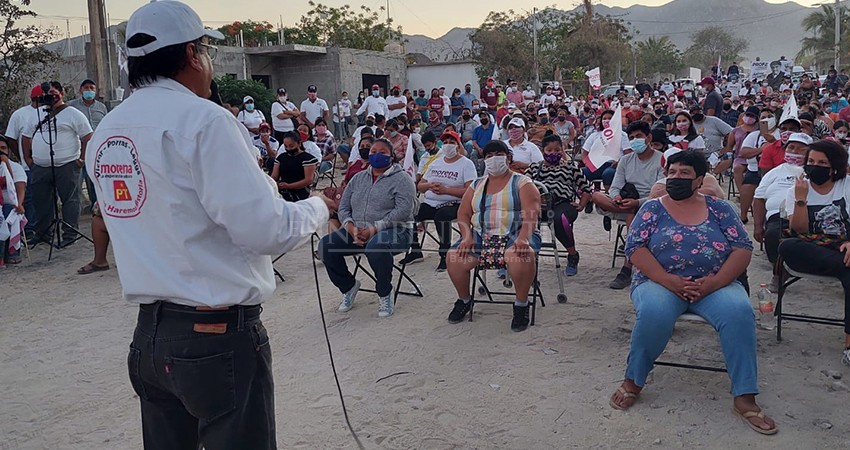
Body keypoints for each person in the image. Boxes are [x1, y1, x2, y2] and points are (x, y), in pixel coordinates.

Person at [87, 2, 332, 447]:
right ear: (189, 55)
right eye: (206, 51)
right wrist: (317, 208)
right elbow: (267, 230)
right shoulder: (204, 121)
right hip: (214, 337)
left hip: (150, 336)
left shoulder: (106, 130)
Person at [610, 150, 777, 436]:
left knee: (739, 313)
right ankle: (633, 380)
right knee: (654, 313)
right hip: (659, 282)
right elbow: (635, 249)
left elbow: (742, 249)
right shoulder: (651, 208)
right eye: (672, 172)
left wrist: (713, 283)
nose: (675, 178)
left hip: (714, 284)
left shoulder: (720, 209)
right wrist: (669, 280)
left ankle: (744, 395)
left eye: (684, 173)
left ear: (700, 179)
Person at [445, 140, 542, 332]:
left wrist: (523, 237)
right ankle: (464, 300)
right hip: (481, 235)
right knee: (454, 256)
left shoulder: (523, 182)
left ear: (508, 157)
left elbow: (532, 213)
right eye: (489, 156)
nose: (494, 159)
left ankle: (521, 304)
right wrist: (466, 236)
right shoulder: (477, 184)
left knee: (520, 255)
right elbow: (463, 213)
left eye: (499, 154)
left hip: (515, 232)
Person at [319, 138, 416, 318]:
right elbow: (344, 207)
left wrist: (374, 229)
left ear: (392, 156)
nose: (376, 155)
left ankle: (385, 292)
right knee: (326, 246)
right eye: (373, 152)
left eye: (382, 152)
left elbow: (403, 211)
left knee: (376, 246)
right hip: (356, 230)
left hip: (395, 232)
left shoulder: (402, 179)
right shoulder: (358, 178)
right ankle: (348, 286)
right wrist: (350, 228)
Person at [779, 139, 850, 367]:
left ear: (834, 167)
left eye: (822, 162)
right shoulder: (797, 189)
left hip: (844, 246)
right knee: (788, 246)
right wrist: (801, 198)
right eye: (811, 161)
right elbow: (799, 231)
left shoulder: (847, 185)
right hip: (815, 249)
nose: (814, 166)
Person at [592, 121, 665, 289]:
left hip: (651, 203)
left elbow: (662, 191)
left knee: (634, 214)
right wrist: (616, 197)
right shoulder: (625, 160)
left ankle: (627, 268)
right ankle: (630, 209)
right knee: (595, 195)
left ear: (649, 137)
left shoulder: (662, 160)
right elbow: (616, 185)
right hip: (626, 202)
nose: (634, 140)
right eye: (631, 138)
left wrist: (638, 203)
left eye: (638, 136)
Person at [22, 81, 93, 248]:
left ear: (62, 93)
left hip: (67, 165)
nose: (51, 97)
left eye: (54, 93)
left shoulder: (73, 114)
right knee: (42, 201)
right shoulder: (37, 114)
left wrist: (81, 160)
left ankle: (69, 233)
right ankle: (43, 233)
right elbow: (26, 137)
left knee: (70, 200)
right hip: (40, 166)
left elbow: (87, 137)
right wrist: (29, 160)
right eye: (48, 94)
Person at [402, 131, 477, 271]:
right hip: (432, 202)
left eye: (452, 142)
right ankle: (415, 249)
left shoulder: (466, 164)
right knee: (410, 212)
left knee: (442, 216)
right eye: (446, 142)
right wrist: (430, 186)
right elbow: (421, 186)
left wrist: (446, 190)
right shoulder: (436, 162)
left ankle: (445, 254)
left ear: (458, 145)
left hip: (455, 203)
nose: (448, 145)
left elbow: (470, 190)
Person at [753, 132, 811, 290]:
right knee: (772, 234)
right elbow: (758, 198)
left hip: (806, 214)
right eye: (791, 147)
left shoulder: (813, 171)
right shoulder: (775, 172)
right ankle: (780, 271)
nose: (795, 152)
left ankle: (789, 267)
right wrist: (758, 225)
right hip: (777, 216)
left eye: (801, 149)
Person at [527, 134, 592, 276]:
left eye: (557, 150)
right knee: (518, 219)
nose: (553, 153)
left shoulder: (570, 167)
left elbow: (587, 189)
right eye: (549, 150)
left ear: (562, 150)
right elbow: (522, 187)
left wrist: (581, 204)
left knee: (559, 220)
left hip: (562, 204)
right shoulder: (534, 168)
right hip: (538, 205)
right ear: (543, 150)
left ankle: (572, 255)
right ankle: (514, 258)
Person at [4, 85, 45, 232]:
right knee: (29, 198)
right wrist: (23, 155)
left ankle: (45, 228)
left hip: (46, 164)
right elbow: (11, 139)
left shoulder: (50, 112)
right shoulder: (20, 114)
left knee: (44, 198)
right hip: (28, 165)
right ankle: (30, 229)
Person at [581, 109, 632, 190]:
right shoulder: (594, 135)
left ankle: (609, 198)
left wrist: (619, 163)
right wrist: (587, 163)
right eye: (604, 118)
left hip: (614, 166)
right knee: (580, 173)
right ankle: (586, 197)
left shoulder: (622, 135)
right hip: (596, 165)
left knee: (608, 174)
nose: (607, 120)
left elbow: (628, 153)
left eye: (610, 118)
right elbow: (584, 153)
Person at [0, 137, 26, 265]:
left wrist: (6, 164)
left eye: (3, 148)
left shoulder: (16, 167)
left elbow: (19, 190)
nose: (1, 152)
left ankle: (11, 252)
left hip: (9, 204)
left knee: (10, 210)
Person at [271, 131, 319, 201]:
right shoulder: (281, 158)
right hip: (283, 191)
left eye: (291, 146)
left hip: (301, 192)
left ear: (299, 143)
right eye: (286, 146)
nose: (288, 149)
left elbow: (308, 180)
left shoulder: (308, 159)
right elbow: (274, 176)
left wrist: (289, 186)